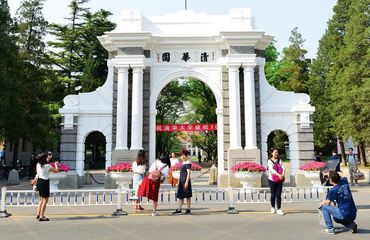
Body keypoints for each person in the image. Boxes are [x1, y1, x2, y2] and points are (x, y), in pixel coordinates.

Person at [31, 152, 60, 221]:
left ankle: (38, 214)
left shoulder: (38, 164)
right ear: (44, 158)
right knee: (45, 200)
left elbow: (43, 165)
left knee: (41, 199)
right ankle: (42, 216)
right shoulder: (47, 166)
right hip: (45, 183)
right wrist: (56, 165)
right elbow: (56, 171)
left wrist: (48, 159)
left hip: (40, 182)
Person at [172, 149, 193, 215]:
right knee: (180, 195)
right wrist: (179, 181)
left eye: (184, 155)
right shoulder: (183, 162)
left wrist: (187, 182)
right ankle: (179, 209)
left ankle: (188, 209)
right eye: (181, 155)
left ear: (186, 155)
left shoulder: (187, 162)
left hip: (185, 181)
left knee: (187, 196)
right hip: (181, 181)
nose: (182, 156)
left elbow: (189, 173)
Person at [267, 148, 285, 216]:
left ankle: (279, 209)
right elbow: (271, 170)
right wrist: (279, 175)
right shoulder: (269, 161)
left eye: (277, 152)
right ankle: (272, 207)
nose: (277, 154)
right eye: (275, 152)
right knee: (273, 195)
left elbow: (283, 168)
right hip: (272, 180)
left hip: (279, 180)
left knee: (278, 195)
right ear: (272, 153)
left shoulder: (280, 160)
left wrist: (282, 174)